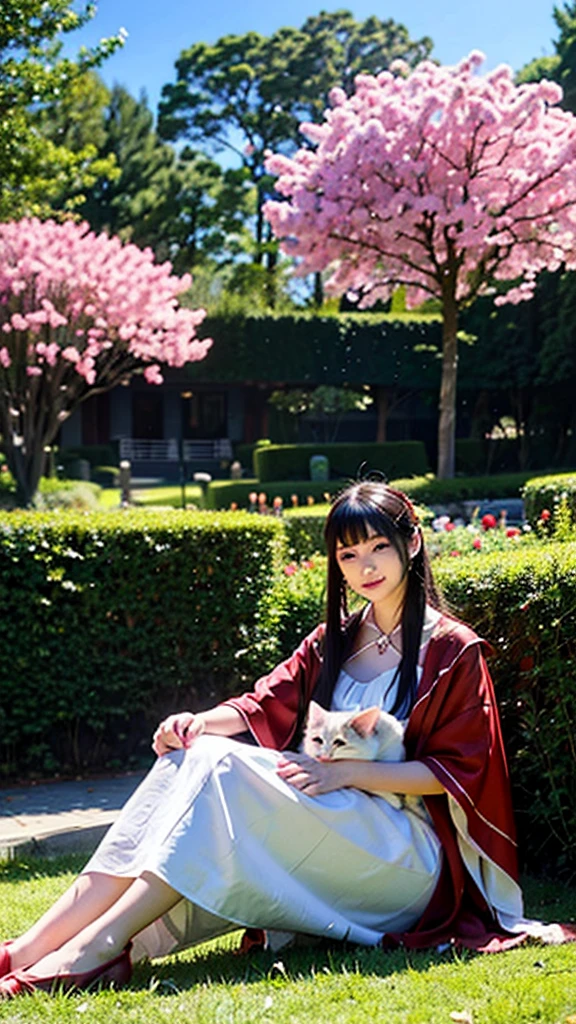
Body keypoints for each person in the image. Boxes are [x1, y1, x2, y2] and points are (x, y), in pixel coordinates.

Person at [0, 481, 572, 998]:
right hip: (333, 824)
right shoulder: (334, 640)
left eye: (378, 547)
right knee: (193, 756)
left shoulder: (452, 650)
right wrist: (196, 721)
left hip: (411, 858)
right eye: (348, 554)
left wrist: (343, 772)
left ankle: (97, 949)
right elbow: (258, 707)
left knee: (224, 771)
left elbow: (457, 772)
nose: (364, 566)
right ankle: (29, 949)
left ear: (413, 543)